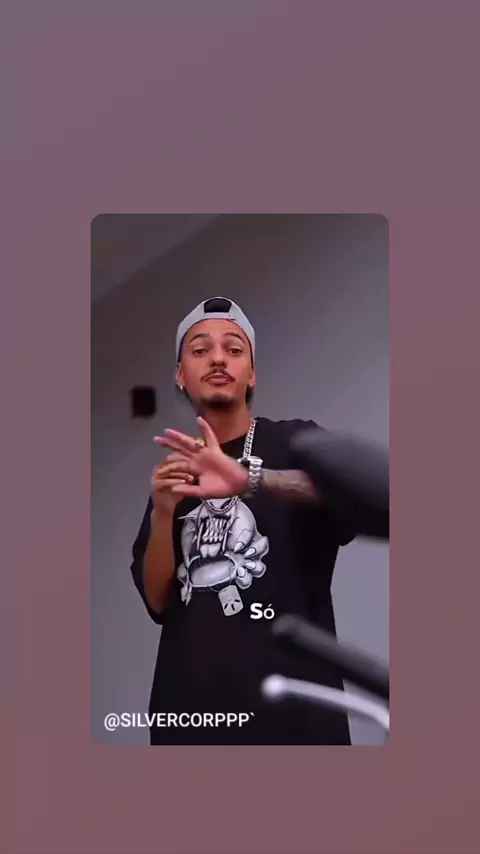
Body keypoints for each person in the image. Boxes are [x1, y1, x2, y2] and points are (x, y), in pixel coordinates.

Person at [130, 297, 356, 745]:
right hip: (189, 723)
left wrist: (252, 479)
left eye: (234, 349)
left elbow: (353, 494)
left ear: (251, 374)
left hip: (296, 721)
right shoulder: (176, 475)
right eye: (200, 350)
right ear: (181, 376)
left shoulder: (295, 442)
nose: (217, 358)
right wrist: (163, 512)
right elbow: (158, 601)